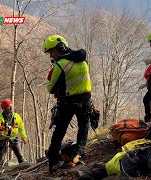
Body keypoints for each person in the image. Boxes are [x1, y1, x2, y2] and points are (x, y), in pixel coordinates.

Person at [43, 34, 92, 173]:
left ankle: (53, 163)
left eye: (51, 51)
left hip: (68, 102)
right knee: (83, 128)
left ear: (60, 48)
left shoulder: (60, 64)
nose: (51, 56)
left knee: (59, 131)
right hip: (86, 100)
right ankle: (78, 154)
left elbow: (50, 88)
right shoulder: (82, 60)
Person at [0, 99, 28, 169]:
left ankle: (25, 169)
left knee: (20, 156)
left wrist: (24, 137)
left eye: (11, 105)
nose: (11, 107)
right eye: (9, 106)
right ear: (4, 108)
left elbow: (21, 128)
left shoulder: (16, 116)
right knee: (0, 160)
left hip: (13, 138)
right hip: (2, 139)